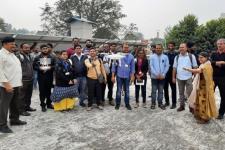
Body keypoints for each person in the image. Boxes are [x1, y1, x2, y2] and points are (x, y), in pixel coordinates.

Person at [0, 37, 27, 133]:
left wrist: (19, 82)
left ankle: (14, 120)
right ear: (4, 44)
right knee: (4, 105)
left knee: (15, 103)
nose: (14, 45)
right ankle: (2, 125)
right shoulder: (1, 54)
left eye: (14, 44)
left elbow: (16, 69)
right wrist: (6, 84)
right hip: (6, 85)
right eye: (11, 44)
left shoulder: (12, 55)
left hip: (15, 84)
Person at [184, 52, 217, 124]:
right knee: (199, 101)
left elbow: (198, 71)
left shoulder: (206, 65)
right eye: (199, 57)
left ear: (206, 57)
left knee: (203, 102)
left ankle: (204, 118)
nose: (199, 59)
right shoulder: (204, 64)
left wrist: (188, 69)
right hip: (201, 87)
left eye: (201, 57)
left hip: (205, 88)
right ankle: (200, 115)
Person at [173, 43, 198, 112]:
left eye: (183, 47)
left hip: (188, 77)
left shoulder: (191, 56)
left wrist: (195, 76)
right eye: (180, 47)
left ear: (186, 48)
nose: (181, 48)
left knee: (190, 93)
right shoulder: (177, 57)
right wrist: (173, 77)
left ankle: (191, 107)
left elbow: (195, 67)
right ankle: (182, 106)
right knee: (181, 93)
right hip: (179, 77)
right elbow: (174, 68)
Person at [111, 43, 135, 110]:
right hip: (119, 76)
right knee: (118, 90)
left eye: (127, 47)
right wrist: (113, 76)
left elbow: (132, 68)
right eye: (125, 47)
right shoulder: (118, 56)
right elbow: (114, 66)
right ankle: (117, 104)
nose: (126, 49)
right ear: (122, 48)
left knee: (127, 91)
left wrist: (132, 76)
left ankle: (127, 104)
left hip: (127, 76)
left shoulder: (131, 56)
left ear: (128, 48)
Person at [33, 44, 55, 112]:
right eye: (43, 49)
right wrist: (40, 68)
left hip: (49, 76)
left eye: (46, 48)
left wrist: (50, 68)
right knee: (42, 91)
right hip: (41, 76)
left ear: (48, 49)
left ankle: (49, 104)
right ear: (41, 49)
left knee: (48, 91)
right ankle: (43, 105)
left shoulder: (52, 57)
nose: (45, 50)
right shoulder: (37, 57)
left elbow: (55, 65)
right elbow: (34, 66)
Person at [17, 43, 36, 117]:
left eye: (28, 48)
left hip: (30, 78)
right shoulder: (19, 56)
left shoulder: (29, 56)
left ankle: (27, 107)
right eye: (25, 48)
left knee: (29, 94)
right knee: (22, 96)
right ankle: (21, 110)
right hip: (23, 79)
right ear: (21, 48)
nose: (27, 49)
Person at [149, 44, 169, 110]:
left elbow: (167, 66)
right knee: (154, 91)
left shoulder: (165, 57)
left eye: (159, 48)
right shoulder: (152, 57)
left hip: (162, 77)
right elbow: (151, 66)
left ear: (162, 49)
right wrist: (156, 74)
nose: (158, 49)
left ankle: (160, 103)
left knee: (161, 91)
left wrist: (163, 74)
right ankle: (153, 103)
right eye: (157, 48)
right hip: (154, 77)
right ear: (155, 49)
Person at [211, 38, 225, 119]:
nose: (219, 45)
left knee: (223, 96)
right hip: (213, 77)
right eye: (218, 44)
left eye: (221, 43)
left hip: (223, 78)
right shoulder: (214, 54)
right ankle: (209, 110)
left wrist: (223, 63)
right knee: (209, 93)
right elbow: (209, 62)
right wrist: (219, 62)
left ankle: (221, 113)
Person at [164, 41, 177, 109]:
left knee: (173, 89)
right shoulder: (165, 54)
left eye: (172, 46)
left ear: (174, 46)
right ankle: (167, 102)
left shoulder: (177, 54)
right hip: (165, 74)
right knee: (165, 88)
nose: (170, 47)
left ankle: (174, 103)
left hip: (173, 74)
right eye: (169, 46)